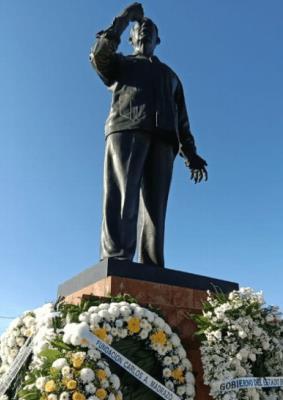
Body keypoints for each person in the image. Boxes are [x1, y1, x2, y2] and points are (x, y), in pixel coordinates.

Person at [91, 2, 208, 267]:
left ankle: (152, 265)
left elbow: (182, 119)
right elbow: (99, 54)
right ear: (131, 38)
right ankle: (117, 258)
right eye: (139, 28)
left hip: (165, 139)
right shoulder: (121, 63)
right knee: (123, 196)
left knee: (156, 208)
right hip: (126, 129)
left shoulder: (171, 76)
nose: (143, 30)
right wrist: (123, 19)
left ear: (158, 39)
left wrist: (190, 153)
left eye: (149, 29)